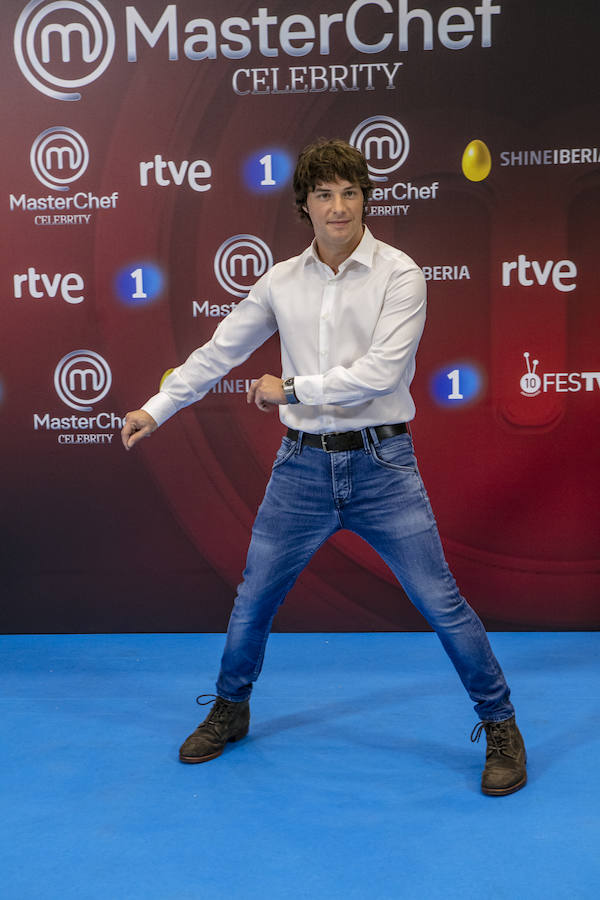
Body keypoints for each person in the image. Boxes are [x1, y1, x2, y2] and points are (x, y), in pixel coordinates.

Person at [121, 138, 527, 796]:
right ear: (303, 206)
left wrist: (293, 388)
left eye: (349, 192)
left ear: (365, 199)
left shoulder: (401, 274)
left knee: (441, 603)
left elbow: (382, 374)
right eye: (323, 194)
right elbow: (219, 351)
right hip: (301, 471)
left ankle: (502, 724)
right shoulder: (281, 281)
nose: (338, 207)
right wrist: (156, 408)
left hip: (382, 464)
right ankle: (231, 707)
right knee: (253, 600)